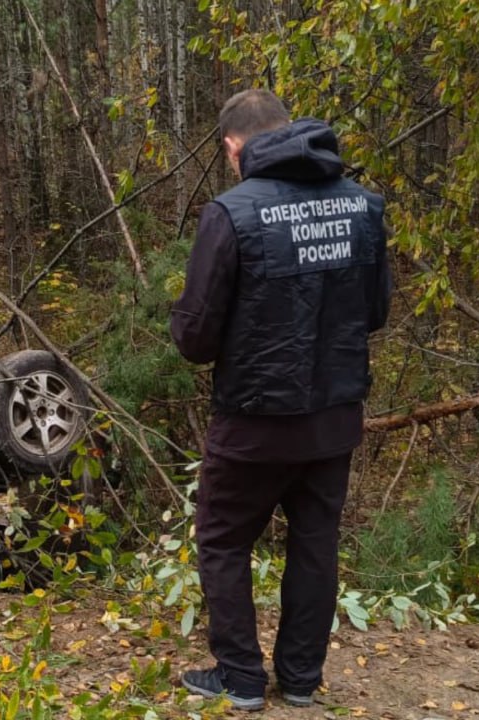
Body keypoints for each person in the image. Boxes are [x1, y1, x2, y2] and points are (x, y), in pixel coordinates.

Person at [170, 89, 392, 711]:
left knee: (222, 540)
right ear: (288, 129)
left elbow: (195, 338)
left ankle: (241, 677)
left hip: (254, 422)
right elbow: (374, 312)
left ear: (232, 147)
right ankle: (300, 679)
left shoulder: (231, 214)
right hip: (334, 418)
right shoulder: (362, 207)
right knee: (315, 543)